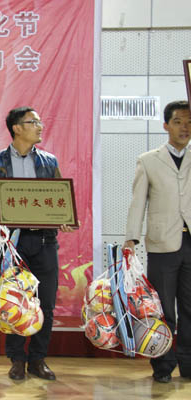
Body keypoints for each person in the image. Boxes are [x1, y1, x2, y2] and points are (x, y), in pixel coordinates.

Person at [0, 106, 74, 381]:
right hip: (12, 243)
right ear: (17, 128)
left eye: (39, 122)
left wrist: (65, 219)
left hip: (44, 241)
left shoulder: (49, 162)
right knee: (12, 301)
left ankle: (38, 359)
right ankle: (17, 359)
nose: (40, 126)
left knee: (46, 304)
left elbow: (59, 199)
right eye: (33, 122)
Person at [124, 100, 191, 383]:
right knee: (162, 308)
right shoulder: (149, 160)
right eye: (178, 122)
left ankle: (188, 365)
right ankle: (163, 366)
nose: (184, 127)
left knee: (189, 308)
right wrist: (131, 238)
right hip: (162, 243)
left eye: (189, 122)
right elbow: (138, 202)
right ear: (166, 126)